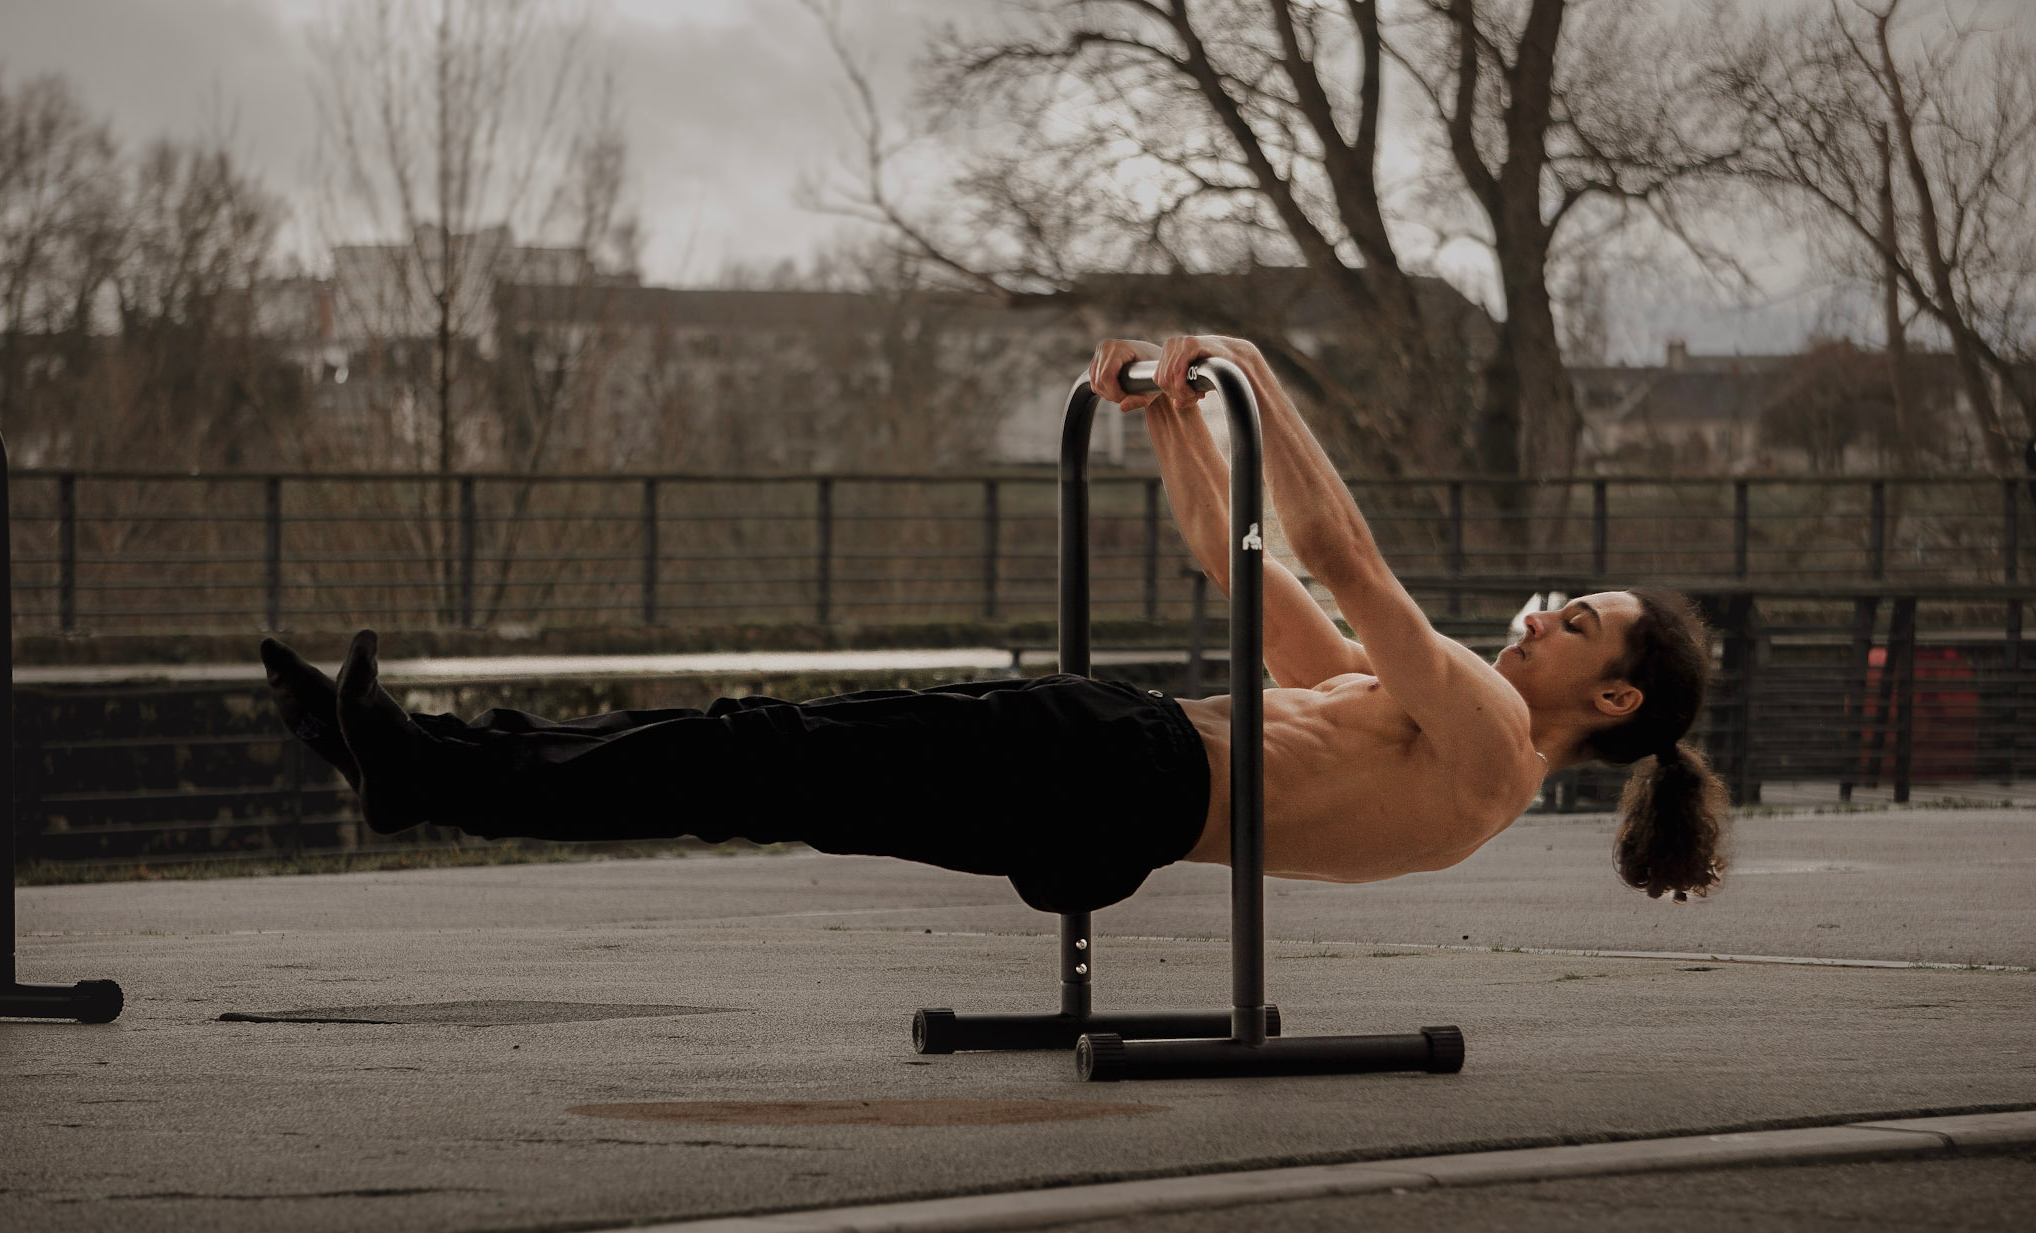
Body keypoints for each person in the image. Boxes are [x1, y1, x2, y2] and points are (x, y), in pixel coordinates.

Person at [263, 335, 1728, 911]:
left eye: (1579, 620)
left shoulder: (1482, 740)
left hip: (1120, 767)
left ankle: (428, 770)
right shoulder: (1427, 731)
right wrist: (1164, 415)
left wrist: (1250, 370)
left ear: (1611, 698)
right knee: (753, 768)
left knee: (753, 752)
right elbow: (1240, 558)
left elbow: (1346, 551)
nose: (1546, 614)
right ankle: (429, 766)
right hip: (1117, 811)